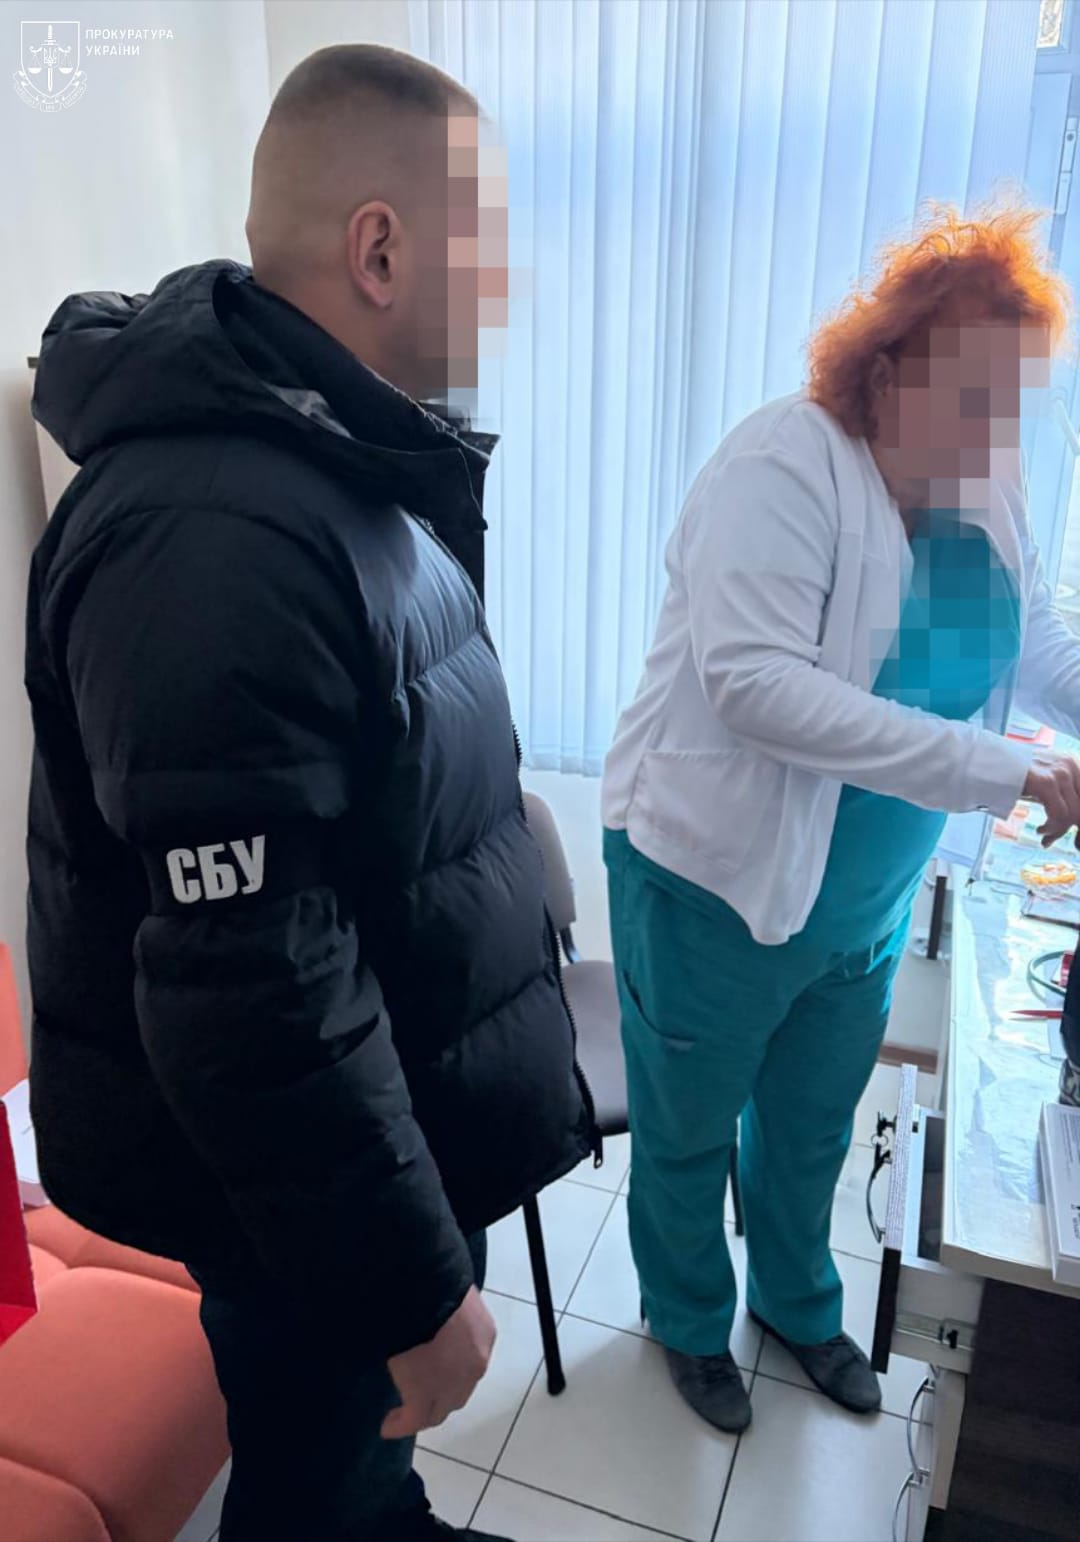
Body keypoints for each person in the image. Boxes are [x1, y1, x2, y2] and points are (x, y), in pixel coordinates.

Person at [26, 46, 595, 1542]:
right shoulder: (214, 530)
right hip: (290, 1181)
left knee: (349, 1462)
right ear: (381, 248)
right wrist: (410, 1285)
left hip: (364, 1128)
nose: (508, 287)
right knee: (311, 1473)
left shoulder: (325, 463)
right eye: (488, 242)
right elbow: (251, 979)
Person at [602, 205, 1080, 1434]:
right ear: (888, 365)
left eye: (1012, 401)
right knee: (689, 1131)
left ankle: (797, 1306)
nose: (994, 427)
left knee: (814, 1123)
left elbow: (1032, 639)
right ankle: (689, 1322)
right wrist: (1003, 772)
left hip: (864, 901)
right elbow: (757, 688)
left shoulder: (990, 485)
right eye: (971, 392)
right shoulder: (786, 464)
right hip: (715, 884)